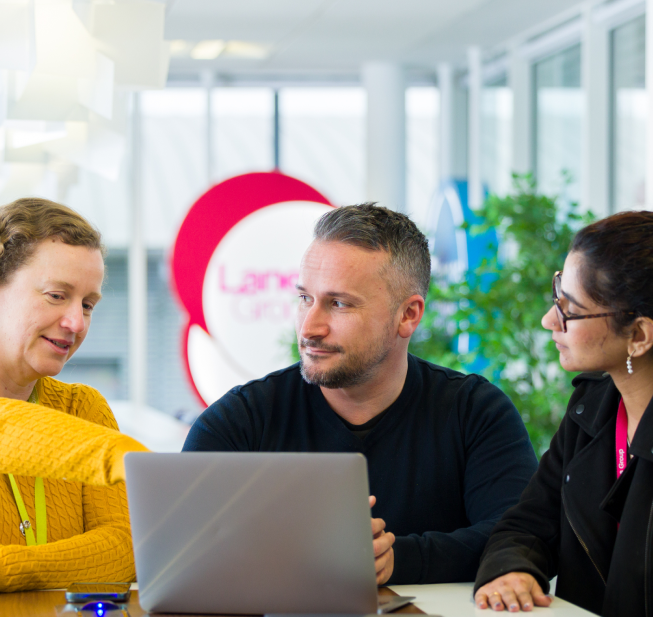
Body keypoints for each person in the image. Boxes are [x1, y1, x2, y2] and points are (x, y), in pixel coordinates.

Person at [183, 203, 537, 585]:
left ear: (408, 315)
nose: (309, 328)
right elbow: (179, 546)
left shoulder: (476, 412)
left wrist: (398, 559)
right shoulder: (240, 421)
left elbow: (520, 536)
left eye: (339, 304)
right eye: (305, 299)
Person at [474, 211, 653, 617]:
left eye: (570, 311)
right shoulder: (591, 407)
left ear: (638, 335)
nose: (549, 320)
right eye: (557, 297)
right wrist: (513, 571)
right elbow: (527, 525)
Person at [0, 197, 146, 594]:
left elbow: (125, 549)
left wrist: (2, 569)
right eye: (57, 295)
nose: (76, 323)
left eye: (88, 305)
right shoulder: (95, 441)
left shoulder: (82, 408)